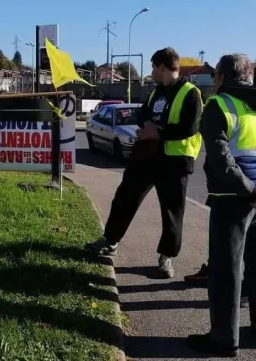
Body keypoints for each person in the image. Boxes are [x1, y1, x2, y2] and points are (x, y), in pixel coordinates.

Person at [187, 54, 256, 357]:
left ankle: (223, 339)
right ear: (248, 77)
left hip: (233, 200)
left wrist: (251, 194)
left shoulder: (218, 106)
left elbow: (222, 160)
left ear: (221, 77)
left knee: (225, 270)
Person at [84, 47, 203, 277]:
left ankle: (166, 257)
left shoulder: (191, 93)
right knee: (125, 196)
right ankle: (110, 241)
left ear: (162, 66)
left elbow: (191, 128)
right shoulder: (156, 91)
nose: (151, 72)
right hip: (147, 156)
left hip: (175, 160)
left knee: (172, 211)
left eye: (153, 67)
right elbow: (142, 114)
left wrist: (157, 131)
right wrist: (146, 124)